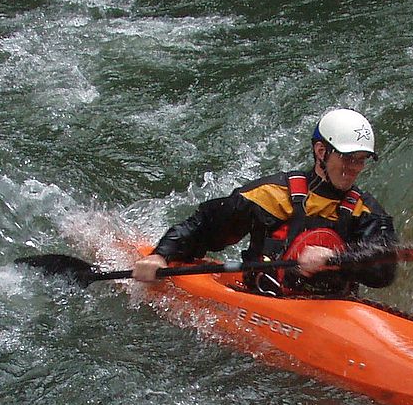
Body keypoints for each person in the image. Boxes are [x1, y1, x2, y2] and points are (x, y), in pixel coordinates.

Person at [133, 108, 398, 297]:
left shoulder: (365, 212)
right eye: (349, 158)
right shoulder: (272, 195)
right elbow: (205, 225)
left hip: (336, 311)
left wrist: (336, 257)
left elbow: (383, 270)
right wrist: (161, 254)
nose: (355, 168)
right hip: (267, 300)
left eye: (362, 159)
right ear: (321, 152)